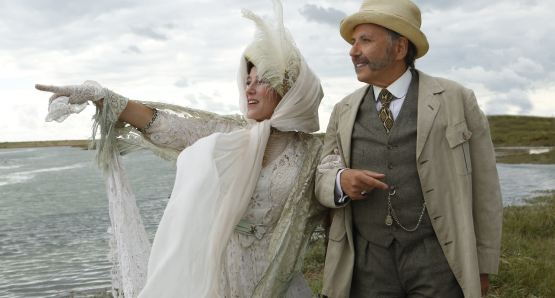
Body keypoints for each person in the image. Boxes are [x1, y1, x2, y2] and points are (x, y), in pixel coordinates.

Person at [36, 1, 326, 297]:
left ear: (290, 90)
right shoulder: (229, 133)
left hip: (277, 277)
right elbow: (165, 126)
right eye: (247, 80)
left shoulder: (313, 152)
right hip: (219, 273)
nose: (249, 88)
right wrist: (103, 96)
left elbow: (332, 204)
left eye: (262, 81)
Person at [315, 0, 503, 297]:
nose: (353, 51)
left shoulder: (456, 99)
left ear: (400, 48)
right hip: (367, 263)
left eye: (365, 40)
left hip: (438, 260)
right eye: (353, 42)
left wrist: (483, 264)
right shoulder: (343, 110)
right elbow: (322, 175)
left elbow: (486, 189)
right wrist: (340, 181)